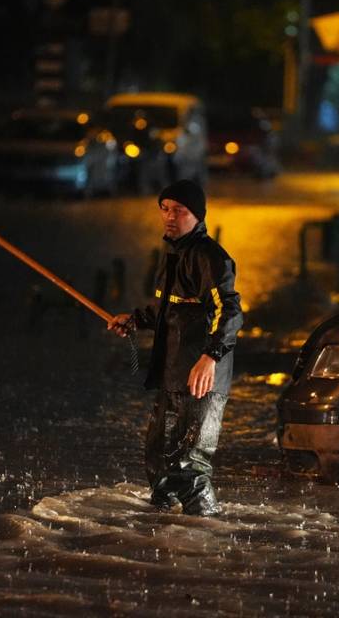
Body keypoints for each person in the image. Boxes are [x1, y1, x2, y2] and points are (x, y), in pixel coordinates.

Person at [108, 179, 243, 516]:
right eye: (164, 209)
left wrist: (210, 357)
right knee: (158, 459)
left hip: (202, 379)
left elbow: (231, 312)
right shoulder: (171, 254)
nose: (169, 216)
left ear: (196, 215)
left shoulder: (212, 258)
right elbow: (171, 309)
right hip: (172, 373)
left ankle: (211, 535)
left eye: (179, 211)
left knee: (189, 465)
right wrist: (136, 320)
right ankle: (161, 531)